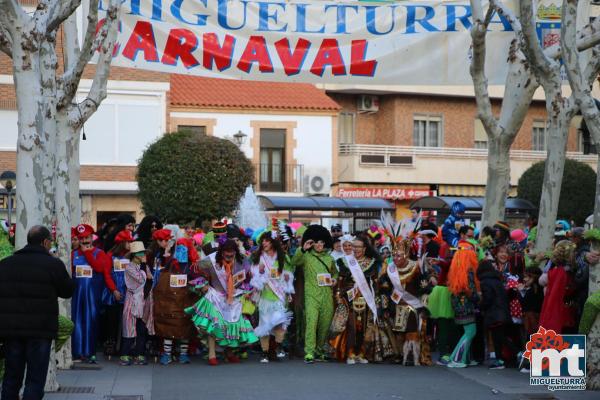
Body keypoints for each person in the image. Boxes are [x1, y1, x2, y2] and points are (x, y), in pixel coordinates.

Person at [0, 226, 74, 400]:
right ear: (45, 242)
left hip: (11, 331)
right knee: (35, 379)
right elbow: (67, 291)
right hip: (40, 331)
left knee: (11, 377)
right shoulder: (52, 264)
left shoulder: (5, 264)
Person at [186, 239, 258, 366]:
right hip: (216, 296)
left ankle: (229, 353)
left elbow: (248, 278)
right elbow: (195, 270)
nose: (229, 256)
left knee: (231, 326)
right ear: (221, 252)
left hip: (234, 298)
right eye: (226, 253)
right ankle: (212, 354)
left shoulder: (243, 261)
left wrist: (247, 290)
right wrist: (203, 284)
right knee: (214, 325)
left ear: (235, 252)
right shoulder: (211, 260)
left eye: (232, 253)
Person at [71, 224, 120, 363]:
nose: (85, 241)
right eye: (81, 239)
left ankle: (89, 352)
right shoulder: (73, 254)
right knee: (77, 322)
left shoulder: (100, 253)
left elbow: (101, 269)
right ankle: (77, 352)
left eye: (87, 238)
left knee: (91, 322)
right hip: (77, 295)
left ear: (92, 238)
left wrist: (114, 289)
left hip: (93, 296)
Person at [331, 236, 382, 364]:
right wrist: (340, 296)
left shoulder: (372, 262)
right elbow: (340, 283)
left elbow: (375, 283)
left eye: (359, 247)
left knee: (364, 327)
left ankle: (361, 353)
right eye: (354, 246)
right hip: (349, 299)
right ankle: (350, 353)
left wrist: (376, 298)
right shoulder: (344, 262)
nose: (356, 249)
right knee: (351, 326)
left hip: (366, 299)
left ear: (364, 249)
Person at [291, 225, 338, 364]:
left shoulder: (330, 259)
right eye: (316, 242)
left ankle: (319, 350)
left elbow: (334, 272)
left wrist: (334, 279)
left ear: (325, 243)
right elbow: (294, 262)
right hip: (311, 296)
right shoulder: (306, 257)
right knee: (311, 323)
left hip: (327, 296)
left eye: (322, 242)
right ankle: (309, 352)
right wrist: (302, 248)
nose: (319, 245)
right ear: (312, 243)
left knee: (324, 324)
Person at [150, 228, 195, 365]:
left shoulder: (189, 262)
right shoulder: (162, 255)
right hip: (168, 295)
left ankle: (182, 353)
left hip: (184, 295)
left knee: (184, 323)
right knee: (169, 323)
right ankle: (168, 353)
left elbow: (192, 272)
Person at [250, 234, 295, 363]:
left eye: (267, 241)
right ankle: (264, 352)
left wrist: (287, 278)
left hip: (279, 294)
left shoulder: (282, 257)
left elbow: (289, 272)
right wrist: (261, 272)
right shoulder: (259, 257)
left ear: (273, 242)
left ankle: (279, 346)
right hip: (265, 295)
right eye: (262, 241)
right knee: (264, 324)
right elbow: (254, 277)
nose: (264, 243)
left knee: (280, 321)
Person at [446, 241, 480, 368]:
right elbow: (469, 291)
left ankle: (465, 358)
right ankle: (457, 358)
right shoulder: (469, 271)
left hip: (458, 305)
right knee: (471, 332)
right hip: (466, 305)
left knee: (468, 331)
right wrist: (477, 297)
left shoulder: (455, 270)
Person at [120, 241, 154, 366]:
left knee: (141, 328)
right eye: (141, 253)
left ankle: (139, 354)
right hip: (132, 302)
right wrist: (145, 267)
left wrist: (145, 267)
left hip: (143, 301)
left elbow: (150, 278)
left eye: (143, 252)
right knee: (129, 328)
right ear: (134, 255)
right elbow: (141, 279)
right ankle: (125, 355)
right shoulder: (129, 268)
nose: (143, 255)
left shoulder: (144, 266)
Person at [102, 229, 134, 359]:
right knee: (112, 321)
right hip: (113, 293)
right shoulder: (110, 256)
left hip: (128, 292)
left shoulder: (131, 256)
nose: (130, 244)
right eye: (128, 242)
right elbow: (107, 275)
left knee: (125, 322)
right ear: (122, 243)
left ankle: (124, 347)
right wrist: (114, 290)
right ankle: (111, 345)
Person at [477, 260, 513, 370]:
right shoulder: (497, 280)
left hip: (494, 314)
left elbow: (488, 298)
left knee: (499, 338)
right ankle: (500, 359)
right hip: (502, 312)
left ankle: (518, 353)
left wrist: (480, 305)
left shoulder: (485, 282)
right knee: (500, 337)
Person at [539, 240, 577, 333]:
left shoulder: (555, 271)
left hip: (559, 313)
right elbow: (555, 297)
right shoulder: (562, 272)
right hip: (562, 315)